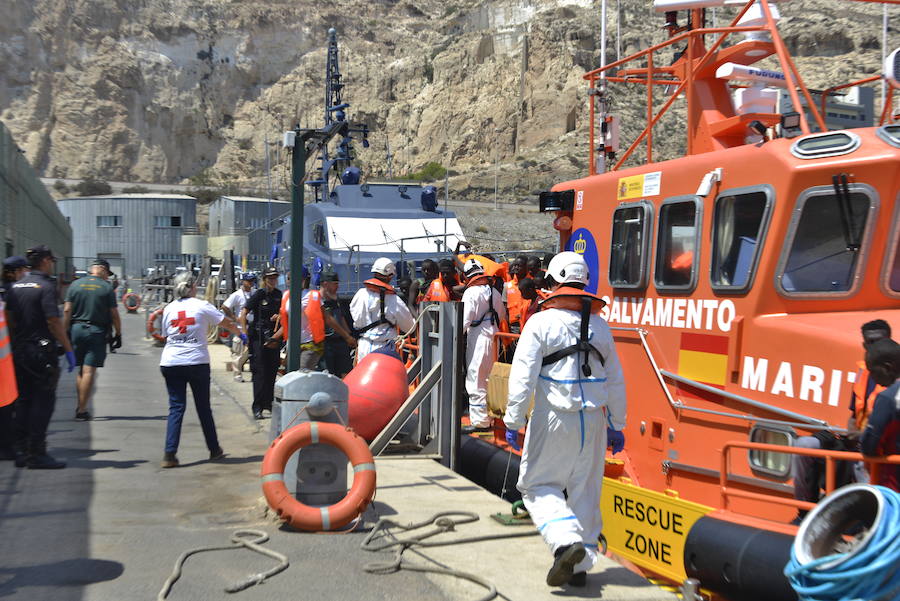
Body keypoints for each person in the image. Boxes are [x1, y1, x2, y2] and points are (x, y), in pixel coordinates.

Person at [503, 251, 626, 588]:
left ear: (554, 281)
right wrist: (618, 423)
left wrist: (513, 421)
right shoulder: (601, 326)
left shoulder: (541, 323)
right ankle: (581, 566)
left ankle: (564, 542)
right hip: (595, 421)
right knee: (585, 491)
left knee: (537, 485)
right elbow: (616, 379)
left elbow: (522, 377)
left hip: (554, 416)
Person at [791, 320, 892, 519]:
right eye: (869, 343)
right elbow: (854, 414)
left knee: (861, 464)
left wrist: (864, 438)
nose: (873, 347)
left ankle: (871, 519)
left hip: (877, 447)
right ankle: (805, 511)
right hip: (855, 439)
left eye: (878, 342)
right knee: (804, 445)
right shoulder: (864, 372)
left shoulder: (893, 381)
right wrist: (852, 432)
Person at [159, 272, 245, 468]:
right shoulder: (202, 306)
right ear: (192, 287)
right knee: (203, 407)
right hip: (196, 362)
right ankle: (214, 449)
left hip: (171, 362)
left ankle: (169, 454)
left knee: (176, 408)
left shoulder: (169, 308)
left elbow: (166, 335)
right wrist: (240, 333)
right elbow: (226, 323)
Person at [5, 245, 76, 469]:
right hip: (41, 351)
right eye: (51, 261)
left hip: (19, 350)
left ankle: (21, 450)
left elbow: (8, 318)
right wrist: (69, 349)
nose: (52, 264)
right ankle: (37, 453)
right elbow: (53, 321)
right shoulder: (45, 286)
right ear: (45, 261)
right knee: (43, 402)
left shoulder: (15, 286)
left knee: (24, 400)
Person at [63, 259, 122, 421]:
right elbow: (114, 314)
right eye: (107, 274)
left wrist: (65, 331)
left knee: (81, 369)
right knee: (89, 371)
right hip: (96, 331)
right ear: (102, 270)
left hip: (76, 329)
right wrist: (118, 334)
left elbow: (67, 310)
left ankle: (79, 405)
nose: (107, 277)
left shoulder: (75, 285)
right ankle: (82, 410)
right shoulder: (106, 288)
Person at [461, 257, 507, 433]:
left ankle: (480, 421)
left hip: (478, 338)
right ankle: (490, 416)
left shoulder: (471, 293)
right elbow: (501, 315)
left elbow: (464, 321)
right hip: (494, 338)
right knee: (489, 379)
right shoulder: (494, 292)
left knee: (475, 379)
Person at [350, 257, 415, 362]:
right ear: (390, 276)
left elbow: (355, 316)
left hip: (363, 346)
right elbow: (409, 327)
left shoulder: (360, 294)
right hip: (384, 348)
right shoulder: (393, 299)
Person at [240, 267, 283, 420]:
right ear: (264, 279)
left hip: (274, 336)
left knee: (272, 371)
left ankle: (269, 403)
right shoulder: (259, 294)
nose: (272, 281)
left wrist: (278, 316)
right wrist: (244, 334)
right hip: (258, 337)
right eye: (270, 278)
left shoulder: (279, 295)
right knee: (259, 372)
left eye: (274, 278)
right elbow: (244, 312)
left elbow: (284, 313)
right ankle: (257, 406)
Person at [861, 338, 900, 491]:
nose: (872, 377)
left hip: (894, 483)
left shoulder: (888, 398)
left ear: (887, 367)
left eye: (872, 371)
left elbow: (870, 446)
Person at [275, 267, 326, 370]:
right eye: (289, 278)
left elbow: (326, 317)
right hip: (293, 343)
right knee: (289, 373)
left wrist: (346, 335)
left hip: (310, 342)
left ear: (304, 280)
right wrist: (274, 338)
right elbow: (287, 323)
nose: (290, 281)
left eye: (296, 278)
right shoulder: (286, 296)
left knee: (302, 374)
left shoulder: (312, 295)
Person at [320, 271, 357, 378]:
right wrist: (347, 336)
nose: (337, 286)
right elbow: (330, 320)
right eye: (335, 283)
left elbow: (341, 317)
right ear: (325, 284)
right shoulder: (318, 300)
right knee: (328, 376)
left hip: (340, 342)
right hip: (325, 342)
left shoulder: (336, 299)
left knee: (347, 374)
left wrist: (350, 337)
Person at [222, 273, 256, 382]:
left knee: (251, 352)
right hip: (240, 327)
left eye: (252, 280)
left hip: (252, 326)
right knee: (237, 352)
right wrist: (234, 317)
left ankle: (253, 373)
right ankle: (237, 374)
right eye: (249, 280)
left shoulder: (255, 293)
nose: (251, 283)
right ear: (243, 281)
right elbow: (225, 306)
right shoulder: (237, 295)